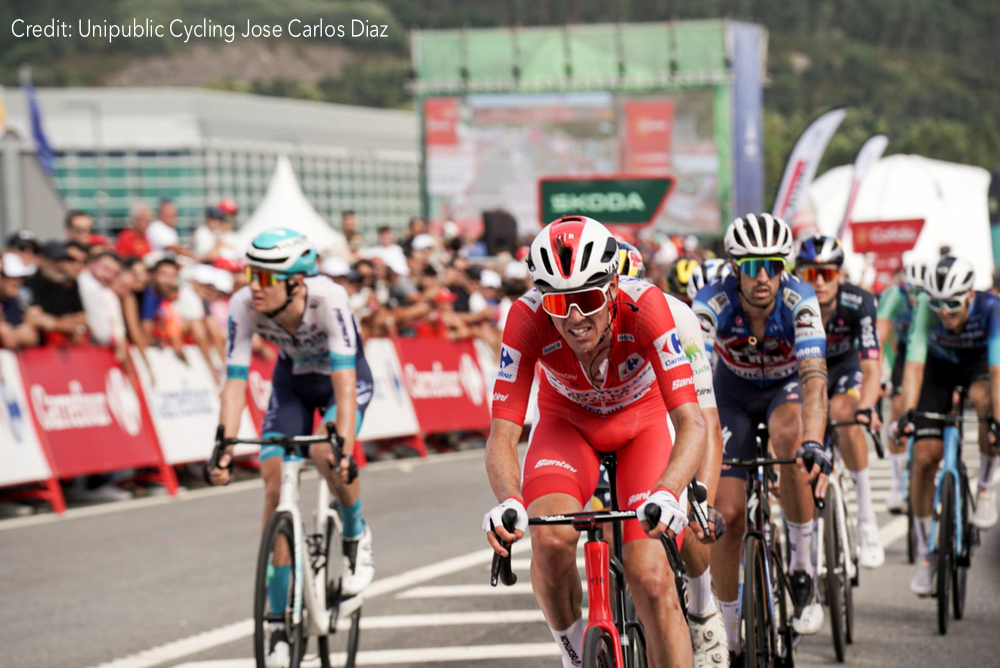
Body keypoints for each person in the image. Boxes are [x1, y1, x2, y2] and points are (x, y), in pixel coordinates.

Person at [483, 216, 707, 668]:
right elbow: (504, 433)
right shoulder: (525, 318)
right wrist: (509, 500)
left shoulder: (647, 307)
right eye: (558, 303)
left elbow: (691, 422)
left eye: (585, 298)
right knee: (548, 540)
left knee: (651, 576)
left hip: (640, 427)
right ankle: (574, 653)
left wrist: (668, 491)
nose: (573, 317)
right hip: (567, 427)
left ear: (611, 288)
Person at [206, 228, 375, 666]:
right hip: (293, 385)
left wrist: (343, 449)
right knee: (273, 480)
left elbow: (343, 379)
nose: (252, 286)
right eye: (249, 274)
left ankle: (356, 532)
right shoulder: (243, 305)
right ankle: (278, 624)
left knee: (324, 454)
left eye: (264, 278)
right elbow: (235, 382)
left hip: (343, 380)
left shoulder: (329, 297)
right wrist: (223, 444)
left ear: (296, 282)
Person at [692, 213, 830, 654]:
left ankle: (802, 568)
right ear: (735, 269)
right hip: (731, 395)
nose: (763, 276)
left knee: (791, 439)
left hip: (784, 390)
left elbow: (813, 379)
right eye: (751, 266)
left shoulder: (800, 299)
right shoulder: (709, 304)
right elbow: (693, 386)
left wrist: (814, 441)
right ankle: (729, 634)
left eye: (773, 264)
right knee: (727, 515)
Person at [619, 241, 729, 668]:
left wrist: (705, 498)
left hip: (670, 419)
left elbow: (706, 421)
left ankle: (702, 610)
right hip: (614, 426)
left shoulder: (674, 315)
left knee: (692, 514)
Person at [898, 256, 1000, 595]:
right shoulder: (926, 308)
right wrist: (907, 416)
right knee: (925, 458)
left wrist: (996, 424)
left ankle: (986, 485)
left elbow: (998, 373)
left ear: (970, 295)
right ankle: (927, 554)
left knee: (987, 403)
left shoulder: (990, 309)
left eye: (953, 303)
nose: (945, 311)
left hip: (979, 369)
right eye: (938, 303)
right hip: (937, 374)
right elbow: (913, 367)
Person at [794, 235, 885, 568]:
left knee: (847, 415)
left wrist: (868, 406)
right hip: (804, 373)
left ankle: (866, 516)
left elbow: (872, 367)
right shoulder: (790, 301)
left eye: (827, 274)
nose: (818, 282)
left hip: (846, 370)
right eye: (810, 274)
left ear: (840, 276)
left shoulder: (859, 301)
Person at [876, 259, 926, 512]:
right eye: (913, 294)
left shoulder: (935, 301)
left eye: (922, 294)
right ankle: (897, 484)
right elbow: (879, 335)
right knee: (897, 409)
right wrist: (879, 377)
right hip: (905, 353)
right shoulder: (896, 295)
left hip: (934, 352)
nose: (917, 300)